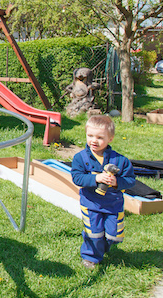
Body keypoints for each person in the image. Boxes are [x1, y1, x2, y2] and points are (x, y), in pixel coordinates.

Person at [71, 115, 135, 269]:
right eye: (90, 135)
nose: (94, 140)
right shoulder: (81, 158)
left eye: (100, 137)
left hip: (113, 205)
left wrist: (117, 182)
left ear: (110, 139)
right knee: (94, 232)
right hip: (91, 203)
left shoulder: (120, 160)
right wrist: (96, 178)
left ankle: (104, 247)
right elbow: (77, 178)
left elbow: (131, 180)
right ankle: (91, 257)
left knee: (114, 234)